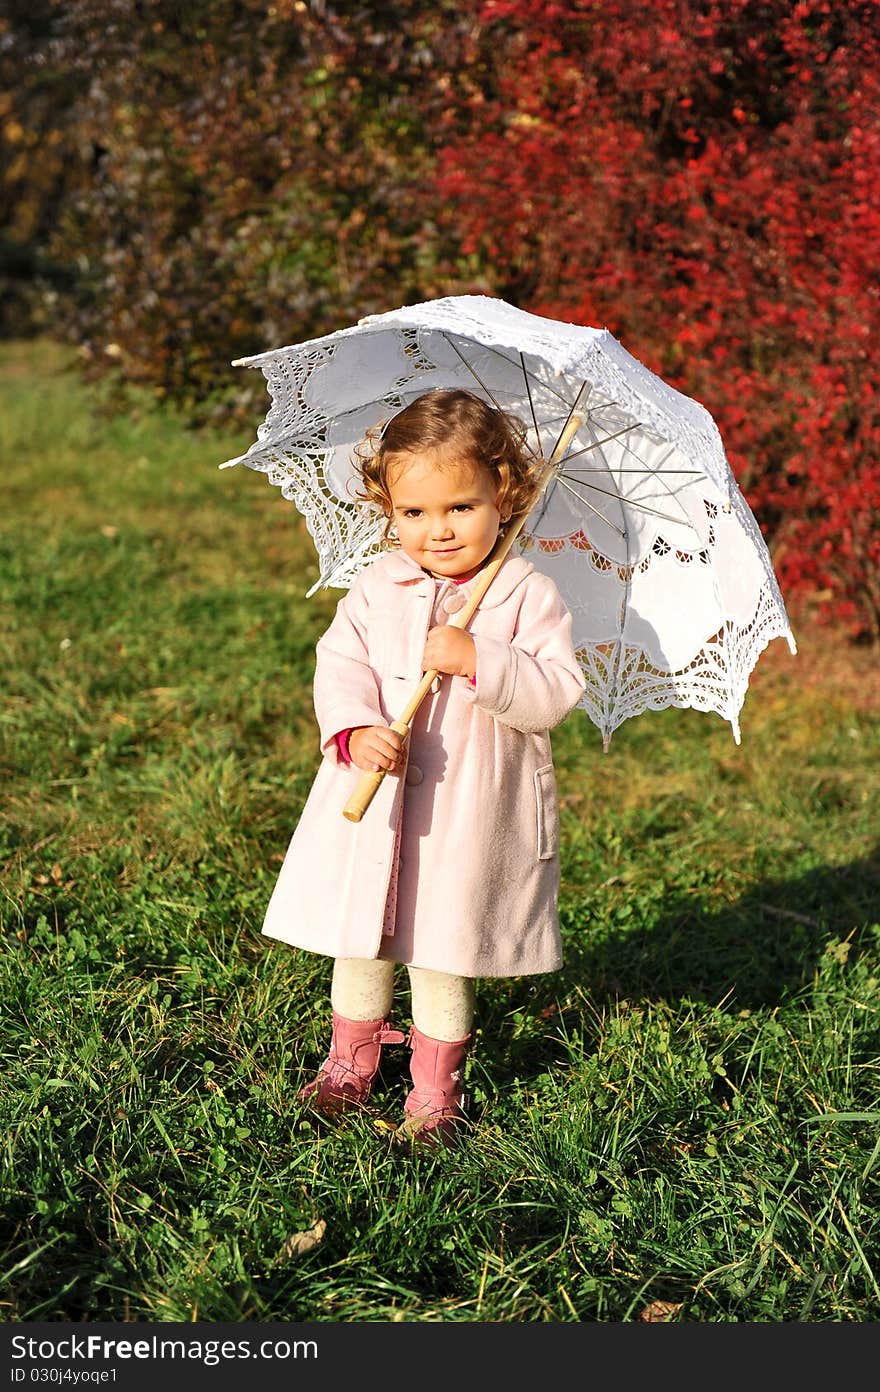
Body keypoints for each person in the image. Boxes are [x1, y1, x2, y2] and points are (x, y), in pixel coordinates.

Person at [261, 387, 585, 1144]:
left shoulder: (524, 594)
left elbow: (555, 694)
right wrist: (355, 729)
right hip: (377, 797)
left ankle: (436, 1094)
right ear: (387, 509)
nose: (437, 532)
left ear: (505, 496)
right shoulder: (380, 586)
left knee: (444, 940)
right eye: (414, 513)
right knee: (362, 935)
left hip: (468, 804)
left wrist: (483, 659)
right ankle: (351, 1063)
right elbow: (340, 661)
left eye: (460, 509)